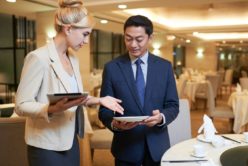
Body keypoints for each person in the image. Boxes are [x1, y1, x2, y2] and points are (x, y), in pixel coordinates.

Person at [15, 0, 123, 166]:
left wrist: (99, 100)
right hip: (46, 145)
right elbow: (21, 105)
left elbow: (72, 96)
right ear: (68, 28)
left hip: (70, 140)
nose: (86, 41)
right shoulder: (38, 58)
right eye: (85, 34)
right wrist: (50, 109)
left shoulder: (73, 58)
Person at [99, 15, 179, 166]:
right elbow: (104, 111)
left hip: (157, 147)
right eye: (128, 39)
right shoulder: (112, 68)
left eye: (139, 39)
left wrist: (161, 117)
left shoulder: (164, 67)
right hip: (126, 147)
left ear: (150, 37)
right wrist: (115, 124)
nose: (133, 44)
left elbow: (173, 105)